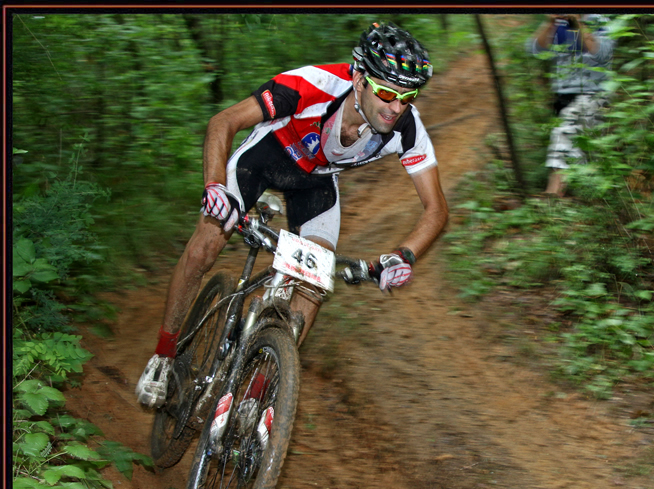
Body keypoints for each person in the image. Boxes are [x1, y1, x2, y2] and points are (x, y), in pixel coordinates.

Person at [136, 22, 449, 409]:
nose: (395, 108)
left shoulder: (407, 128)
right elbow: (223, 122)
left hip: (316, 183)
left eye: (408, 97)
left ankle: (255, 397)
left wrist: (405, 254)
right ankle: (163, 357)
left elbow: (435, 209)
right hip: (266, 160)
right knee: (206, 245)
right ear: (358, 78)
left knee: (312, 285)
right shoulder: (309, 86)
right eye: (386, 92)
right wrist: (215, 187)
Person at [527, 14, 614, 196]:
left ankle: (553, 197)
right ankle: (585, 203)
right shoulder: (558, 25)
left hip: (593, 94)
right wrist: (550, 22)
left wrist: (578, 22)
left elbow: (603, 53)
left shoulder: (599, 20)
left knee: (562, 138)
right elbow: (535, 49)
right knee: (580, 153)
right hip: (563, 96)